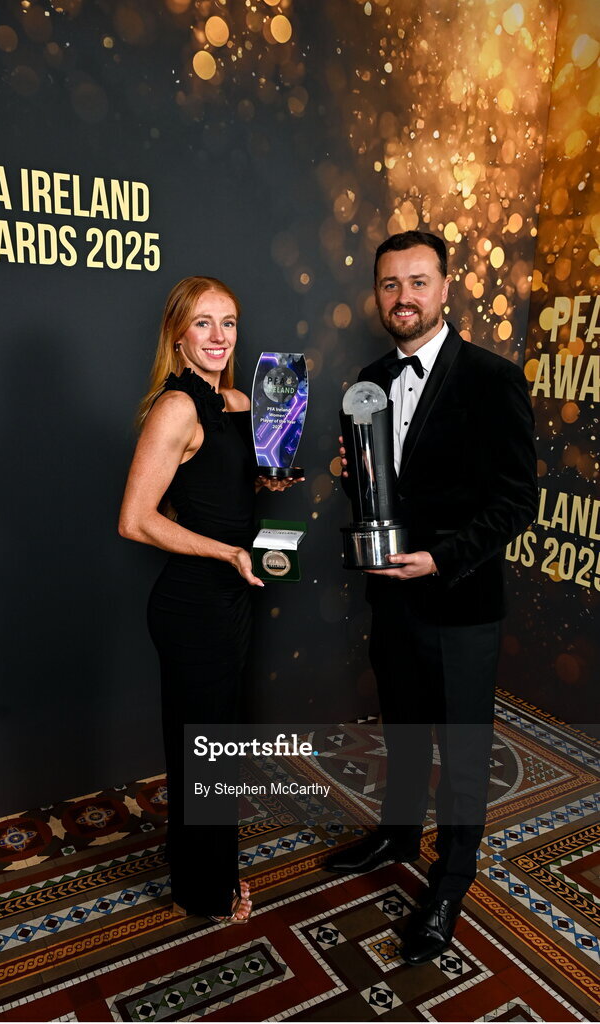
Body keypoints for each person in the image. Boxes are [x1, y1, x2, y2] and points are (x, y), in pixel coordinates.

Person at [325, 231, 537, 964]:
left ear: (446, 288)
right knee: (405, 724)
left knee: (463, 748)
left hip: (459, 600)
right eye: (389, 285)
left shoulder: (491, 378)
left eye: (417, 282)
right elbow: (382, 487)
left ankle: (450, 879)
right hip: (391, 599)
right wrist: (344, 471)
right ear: (376, 294)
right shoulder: (367, 377)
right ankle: (395, 832)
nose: (402, 297)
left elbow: (515, 502)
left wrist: (439, 559)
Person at [118, 276, 296, 923]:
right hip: (193, 606)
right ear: (178, 335)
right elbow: (135, 520)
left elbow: (222, 488)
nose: (219, 337)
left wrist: (268, 477)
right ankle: (204, 891)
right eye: (203, 324)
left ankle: (208, 873)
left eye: (229, 323)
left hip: (235, 599)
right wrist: (225, 551)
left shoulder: (239, 402)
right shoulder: (177, 409)